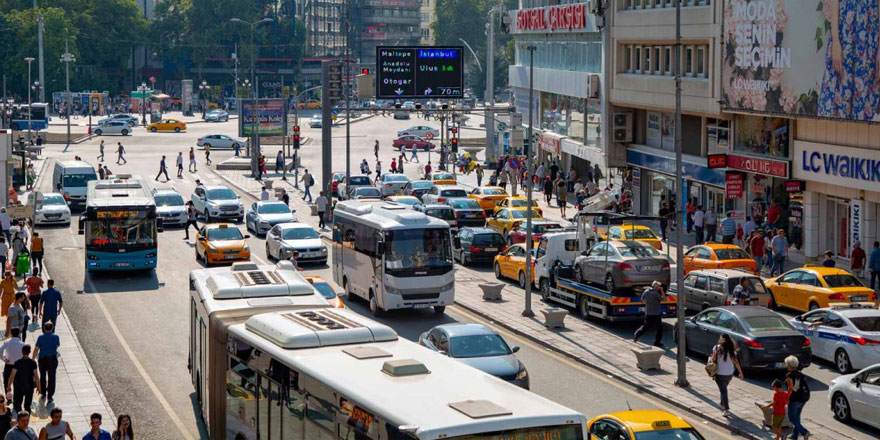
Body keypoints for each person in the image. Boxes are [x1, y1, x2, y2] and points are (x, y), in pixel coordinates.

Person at [710, 334, 744, 417]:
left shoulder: (716, 348)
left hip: (719, 373)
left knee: (723, 391)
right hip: (729, 373)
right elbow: (736, 362)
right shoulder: (731, 350)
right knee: (723, 389)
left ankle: (726, 409)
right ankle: (722, 403)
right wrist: (740, 372)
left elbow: (713, 359)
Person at [784, 355, 811, 439]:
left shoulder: (789, 375)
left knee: (792, 418)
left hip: (795, 399)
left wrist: (787, 398)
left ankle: (804, 432)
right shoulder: (801, 374)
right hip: (803, 397)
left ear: (789, 365)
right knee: (797, 416)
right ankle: (795, 435)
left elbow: (790, 389)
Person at [7, 344, 39, 413]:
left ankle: (19, 418)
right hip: (29, 386)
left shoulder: (17, 363)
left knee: (17, 405)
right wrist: (39, 387)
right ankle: (26, 418)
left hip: (18, 386)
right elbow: (36, 376)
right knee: (27, 406)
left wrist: (8, 386)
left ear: (22, 352)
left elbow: (12, 376)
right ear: (29, 352)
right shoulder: (33, 363)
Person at [632, 281, 665, 348]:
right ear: (656, 287)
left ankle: (637, 334)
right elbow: (663, 299)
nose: (659, 288)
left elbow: (642, 300)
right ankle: (657, 342)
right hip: (656, 314)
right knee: (659, 329)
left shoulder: (646, 291)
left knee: (645, 326)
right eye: (658, 287)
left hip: (648, 313)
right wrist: (662, 291)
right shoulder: (655, 294)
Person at [32, 322, 59, 404]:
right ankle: (50, 395)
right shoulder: (56, 337)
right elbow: (57, 346)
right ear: (52, 328)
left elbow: (36, 349)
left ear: (44, 328)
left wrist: (33, 358)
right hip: (52, 359)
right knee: (52, 377)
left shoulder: (40, 337)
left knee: (42, 376)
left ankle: (43, 392)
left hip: (43, 359)